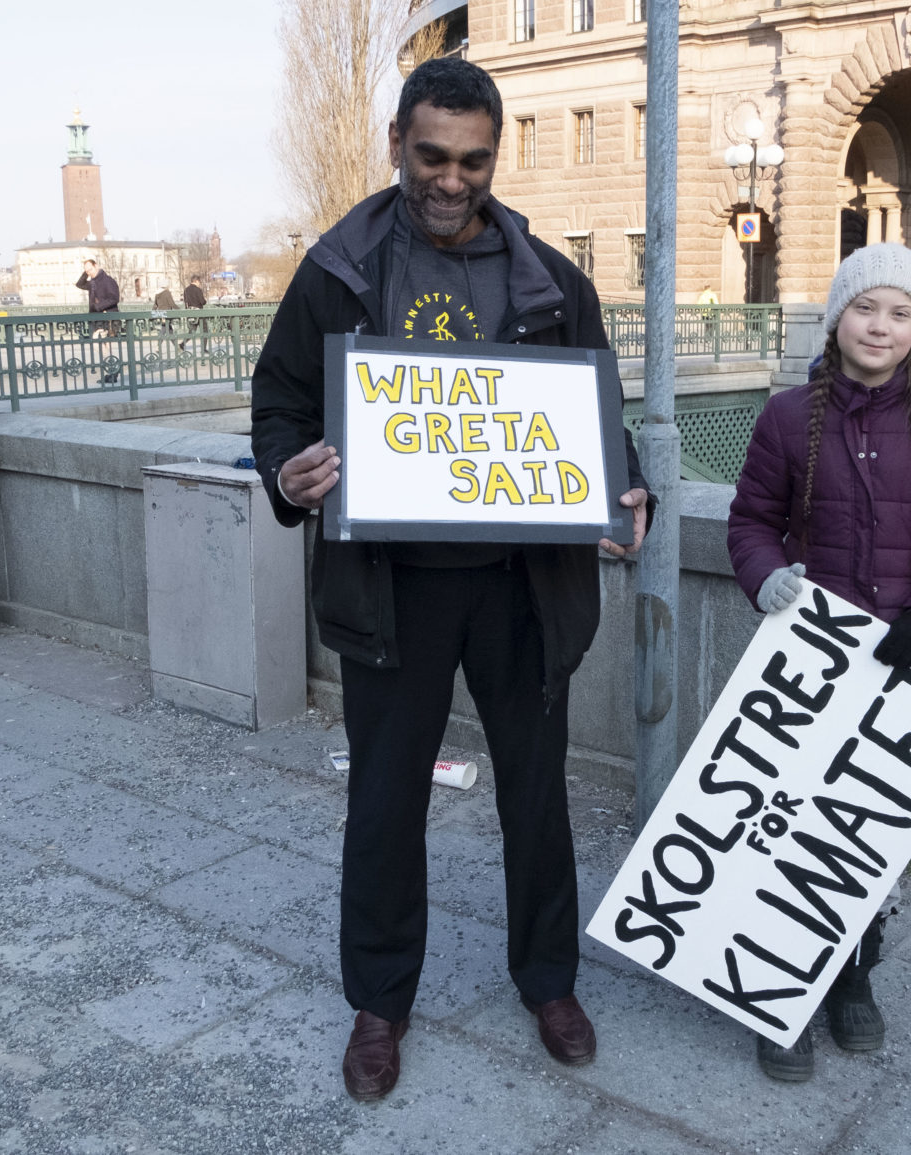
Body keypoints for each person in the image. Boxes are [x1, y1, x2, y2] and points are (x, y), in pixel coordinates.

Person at [250, 56, 651, 1103]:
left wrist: (625, 489)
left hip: (523, 589)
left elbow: (594, 422)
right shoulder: (335, 271)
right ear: (396, 144)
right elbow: (279, 406)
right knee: (384, 804)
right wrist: (289, 476)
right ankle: (379, 1004)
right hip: (391, 589)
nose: (449, 178)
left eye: (472, 160)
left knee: (537, 798)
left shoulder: (553, 282)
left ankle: (548, 983)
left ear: (492, 158)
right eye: (431, 155)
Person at [724, 242, 911, 1082]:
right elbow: (749, 526)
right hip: (806, 669)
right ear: (837, 316)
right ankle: (784, 998)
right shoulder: (783, 417)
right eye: (865, 307)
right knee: (789, 834)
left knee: (865, 843)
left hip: (903, 665)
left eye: (900, 312)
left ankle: (851, 981)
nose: (880, 325)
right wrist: (768, 579)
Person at [76, 259, 122, 383]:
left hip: (107, 317)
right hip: (97, 318)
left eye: (90, 269)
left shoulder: (108, 280)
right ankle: (112, 372)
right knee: (105, 345)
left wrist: (98, 306)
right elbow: (79, 284)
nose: (89, 272)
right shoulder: (92, 282)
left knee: (98, 342)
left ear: (96, 266)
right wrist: (86, 273)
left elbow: (115, 298)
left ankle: (114, 368)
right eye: (87, 270)